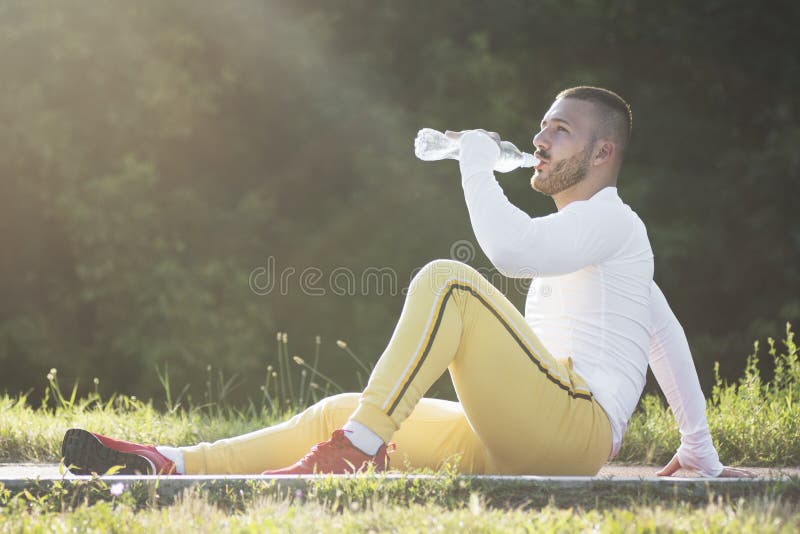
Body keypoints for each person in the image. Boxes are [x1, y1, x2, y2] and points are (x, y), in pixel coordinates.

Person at [61, 86, 752, 478]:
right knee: (343, 408)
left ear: (603, 153)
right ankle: (172, 463)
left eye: (561, 131)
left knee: (449, 282)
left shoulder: (614, 222)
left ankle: (354, 457)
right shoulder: (602, 247)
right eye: (541, 126)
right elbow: (662, 330)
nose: (539, 140)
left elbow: (508, 249)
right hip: (518, 433)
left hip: (571, 429)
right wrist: (698, 447)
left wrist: (473, 162)